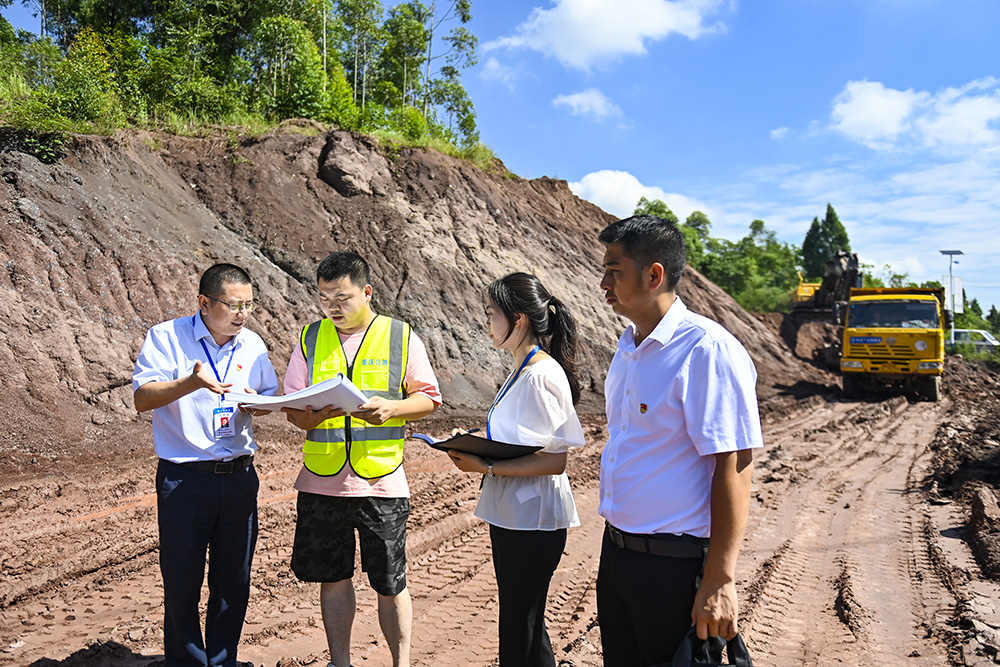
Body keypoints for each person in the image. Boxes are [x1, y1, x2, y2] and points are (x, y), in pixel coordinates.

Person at [595, 215, 763, 666]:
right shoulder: (628, 346)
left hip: (675, 567)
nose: (603, 281)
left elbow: (734, 464)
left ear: (655, 275)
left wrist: (719, 580)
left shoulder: (706, 349)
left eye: (614, 270)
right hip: (619, 556)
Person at [281, 251, 441, 667]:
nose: (333, 306)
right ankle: (341, 662)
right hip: (321, 480)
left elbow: (428, 398)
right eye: (324, 297)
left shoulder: (400, 336)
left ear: (367, 292)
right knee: (333, 579)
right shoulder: (309, 338)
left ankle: (400, 663)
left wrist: (392, 408)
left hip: (381, 481)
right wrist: (310, 416)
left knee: (390, 583)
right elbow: (294, 410)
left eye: (343, 297)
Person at [132, 263, 279, 667]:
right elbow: (142, 398)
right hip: (185, 479)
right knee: (182, 580)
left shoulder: (251, 344)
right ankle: (187, 662)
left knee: (234, 580)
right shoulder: (166, 337)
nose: (242, 314)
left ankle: (222, 660)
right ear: (204, 302)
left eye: (249, 305)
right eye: (233, 305)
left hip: (238, 477)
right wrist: (191, 383)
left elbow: (268, 399)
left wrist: (256, 403)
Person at [447, 272, 585, 667]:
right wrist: (473, 438)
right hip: (516, 516)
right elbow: (522, 438)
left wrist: (485, 464)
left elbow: (555, 459)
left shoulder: (540, 375)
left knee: (520, 627)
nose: (487, 322)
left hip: (532, 520)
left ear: (518, 318)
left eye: (492, 313)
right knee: (523, 624)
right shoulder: (523, 369)